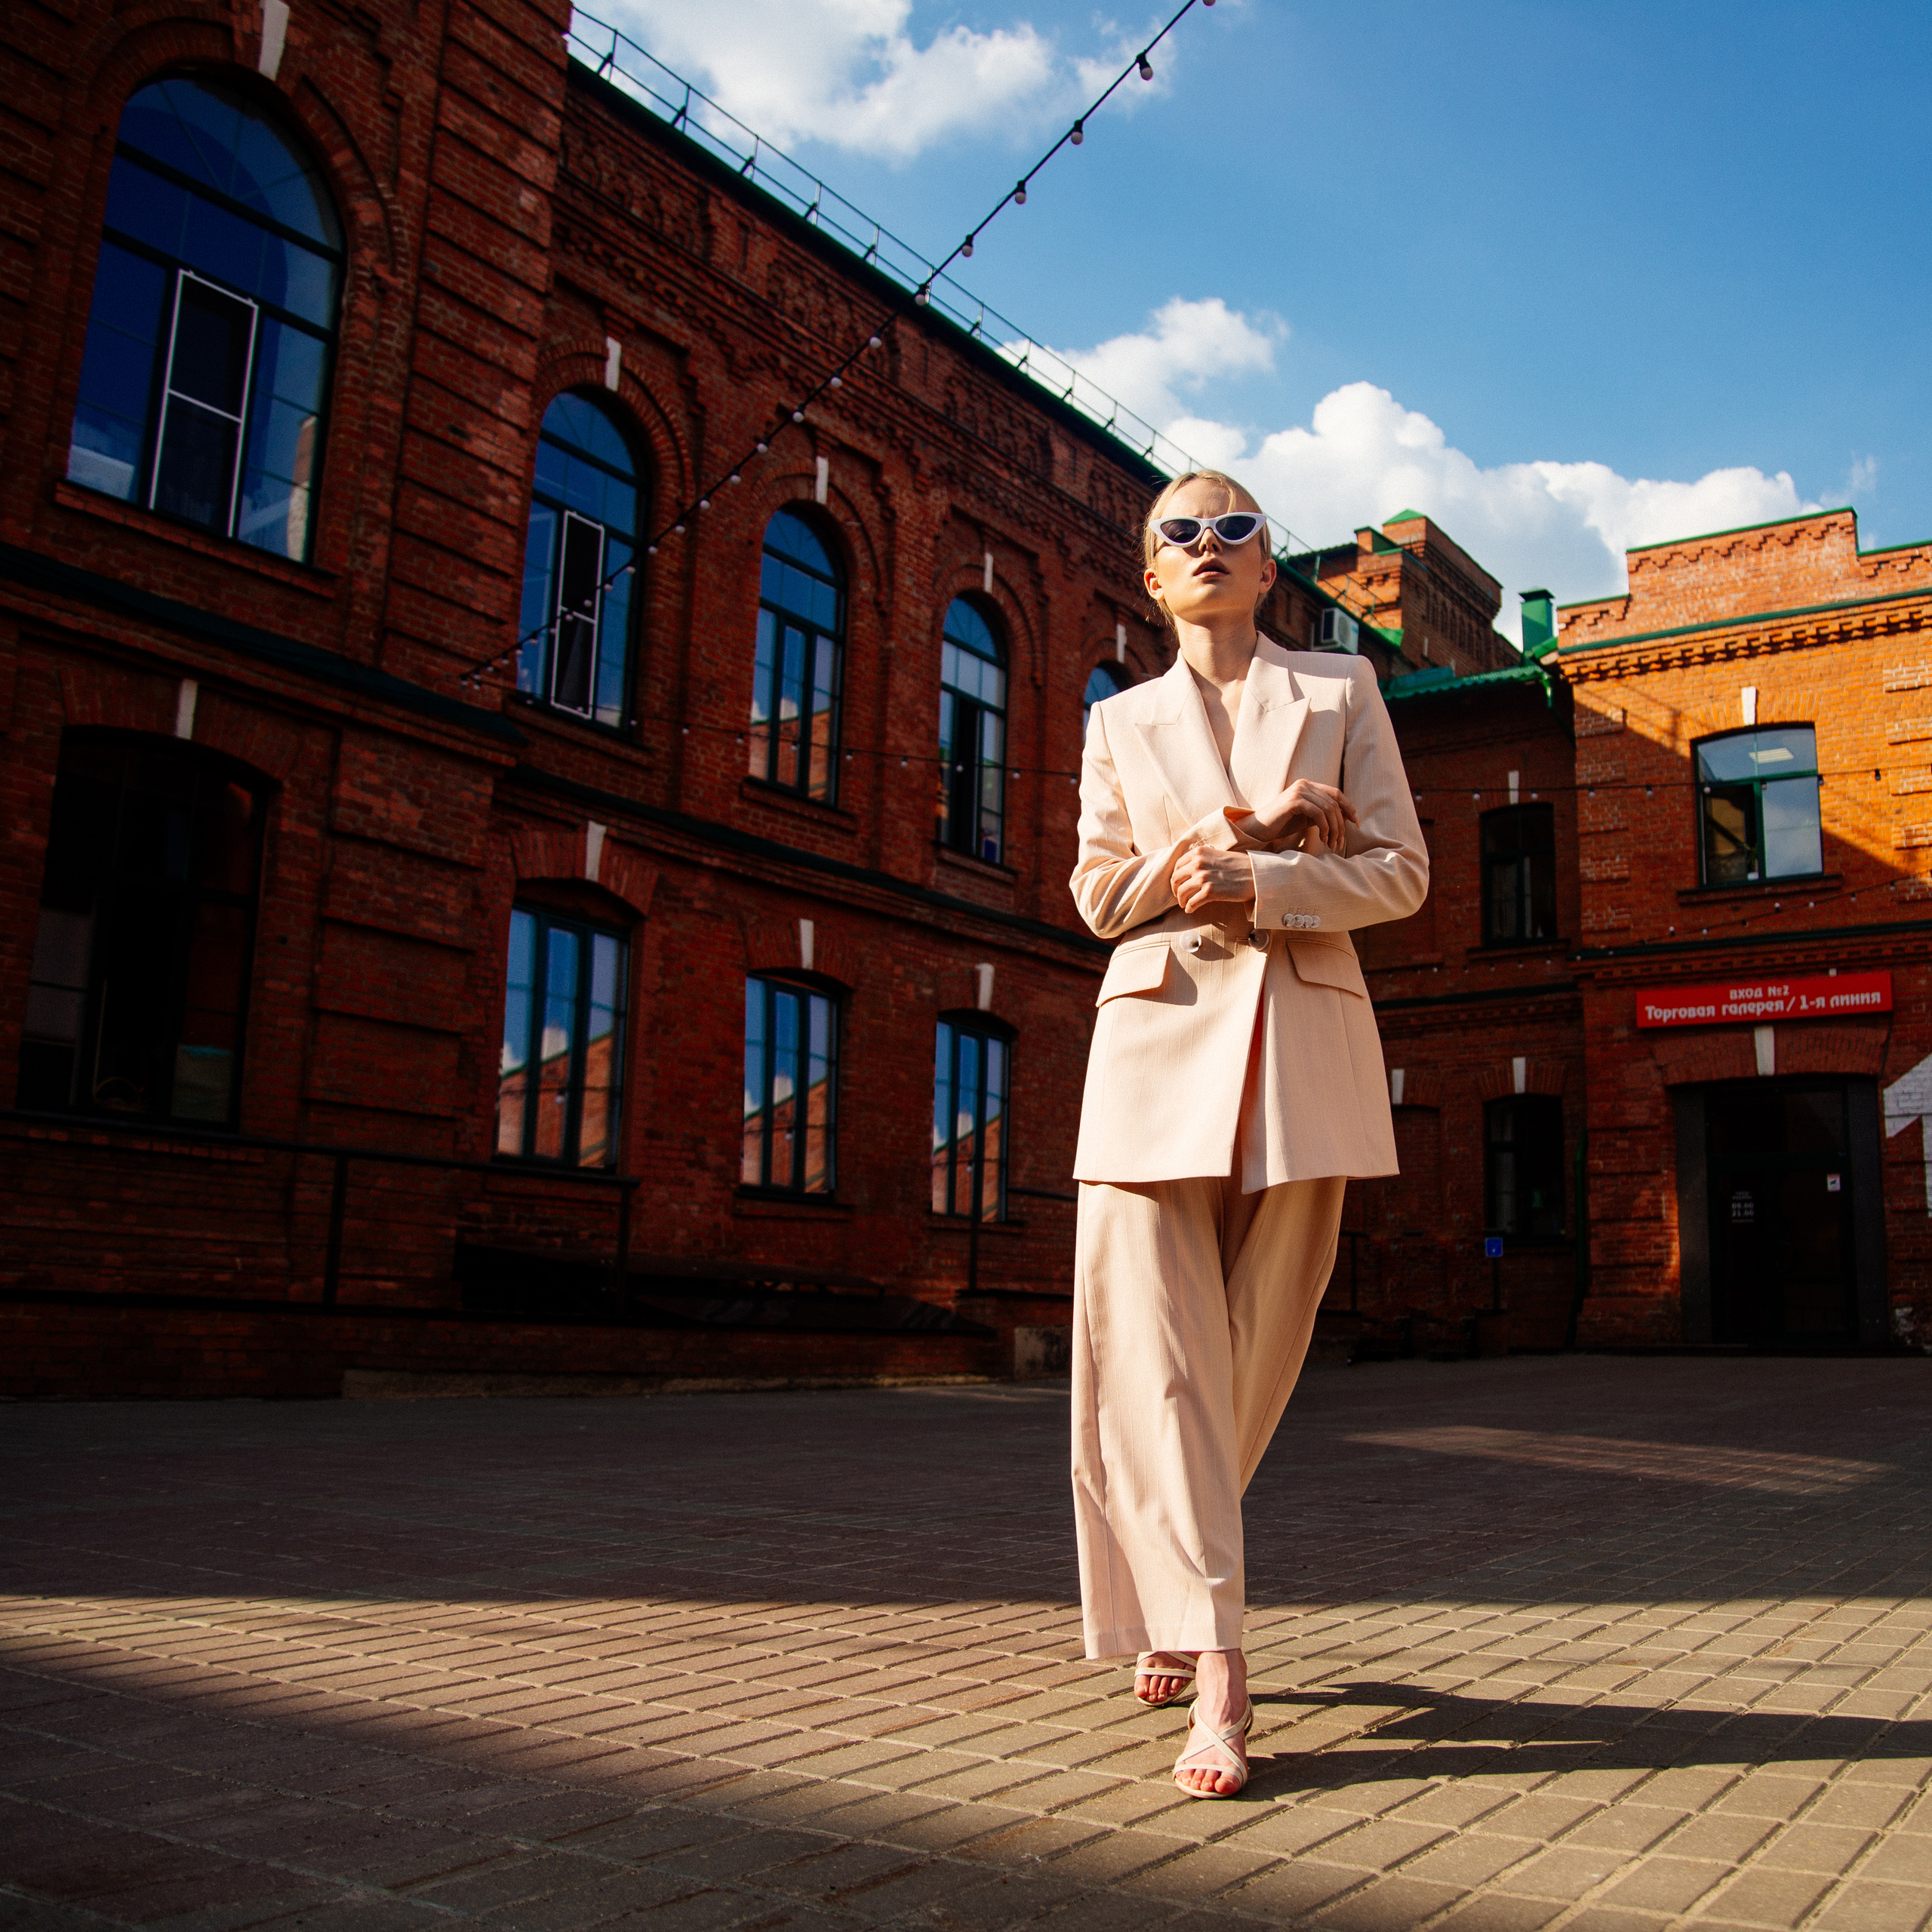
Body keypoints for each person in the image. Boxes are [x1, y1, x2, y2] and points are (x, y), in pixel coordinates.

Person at [1068, 469, 1428, 1797]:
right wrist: (1198, 858)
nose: (1208, 546)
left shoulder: (1342, 693)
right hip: (1153, 1046)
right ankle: (1217, 1669)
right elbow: (1099, 895)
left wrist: (1269, 879)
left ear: (1269, 567)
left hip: (1303, 1049)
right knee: (1151, 1362)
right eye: (1182, 533)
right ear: (1151, 575)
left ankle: (1172, 1583)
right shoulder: (1120, 722)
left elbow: (1400, 871)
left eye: (1236, 530)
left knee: (1251, 1361)